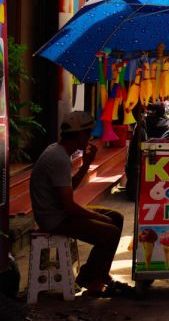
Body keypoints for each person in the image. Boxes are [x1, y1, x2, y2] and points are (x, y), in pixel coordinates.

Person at [30, 111, 131, 297]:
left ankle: (95, 275)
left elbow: (69, 189)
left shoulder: (60, 151)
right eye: (89, 134)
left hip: (58, 211)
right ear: (79, 135)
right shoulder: (59, 158)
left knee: (115, 217)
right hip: (54, 218)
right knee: (111, 231)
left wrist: (86, 165)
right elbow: (69, 206)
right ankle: (93, 283)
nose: (91, 138)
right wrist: (97, 216)